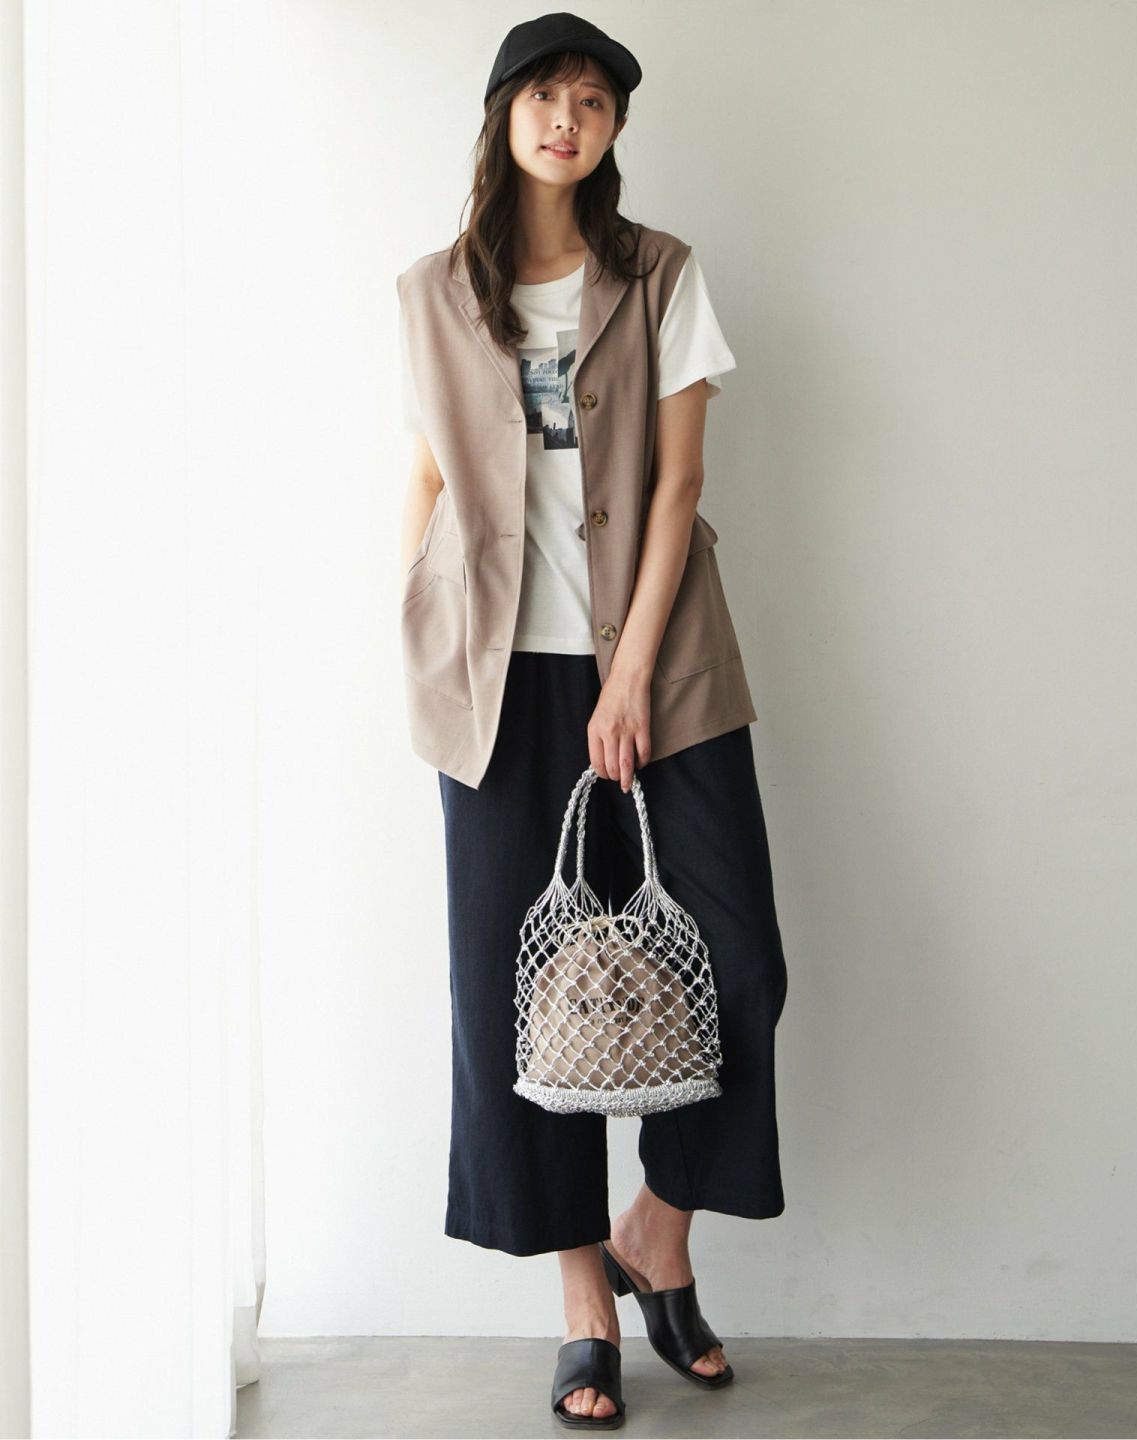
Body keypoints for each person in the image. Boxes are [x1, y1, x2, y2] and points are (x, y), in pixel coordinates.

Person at [394, 13, 789, 1430]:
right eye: (546, 96)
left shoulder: (659, 273)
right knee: (512, 997)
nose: (568, 120)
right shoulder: (433, 292)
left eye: (594, 103)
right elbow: (430, 474)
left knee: (738, 962)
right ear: (503, 114)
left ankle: (656, 1235)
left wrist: (627, 681)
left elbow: (679, 485)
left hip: (661, 671)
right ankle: (583, 1305)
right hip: (499, 685)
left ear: (614, 130)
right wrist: (414, 620)